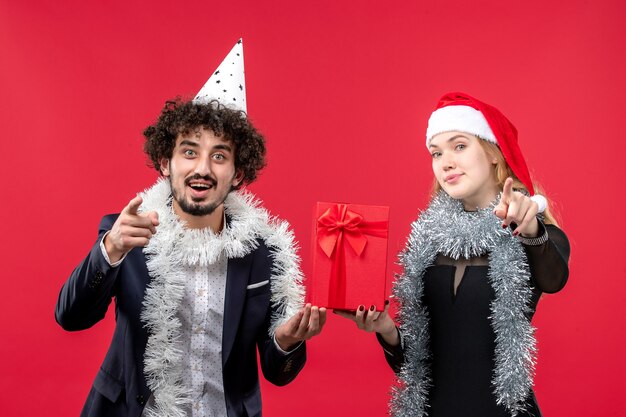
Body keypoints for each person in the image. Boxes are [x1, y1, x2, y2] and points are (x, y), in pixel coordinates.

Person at [56, 41, 326, 417]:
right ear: (165, 163)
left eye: (219, 156)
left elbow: (278, 373)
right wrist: (111, 250)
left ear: (238, 174)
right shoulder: (127, 233)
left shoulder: (265, 252)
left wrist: (284, 343)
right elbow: (71, 318)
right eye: (189, 151)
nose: (203, 168)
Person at [336, 92, 570, 417]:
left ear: (491, 153)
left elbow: (554, 279)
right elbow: (420, 369)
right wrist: (386, 329)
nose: (445, 162)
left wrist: (529, 228)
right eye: (436, 153)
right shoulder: (428, 243)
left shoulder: (537, 234)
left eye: (459, 146)